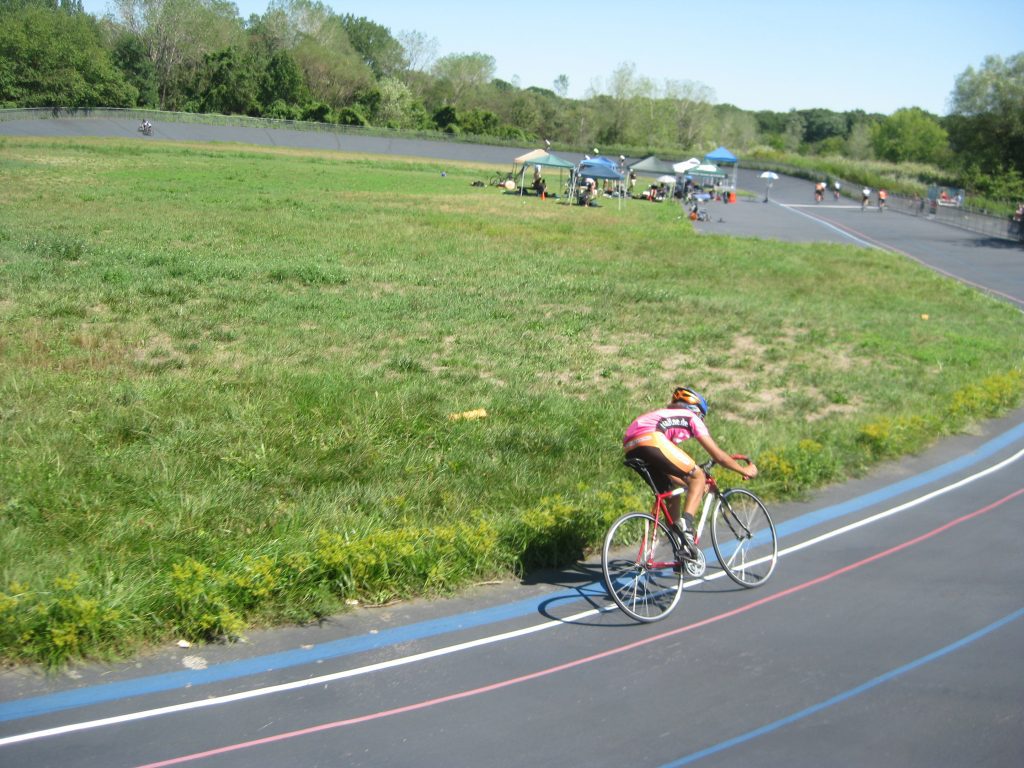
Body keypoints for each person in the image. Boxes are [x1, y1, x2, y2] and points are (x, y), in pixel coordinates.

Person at [622, 387, 757, 559]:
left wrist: (694, 487)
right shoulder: (692, 417)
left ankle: (681, 548)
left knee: (670, 492)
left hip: (631, 445)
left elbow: (670, 470)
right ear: (697, 411)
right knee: (698, 474)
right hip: (651, 439)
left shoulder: (663, 416)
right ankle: (686, 526)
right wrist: (743, 469)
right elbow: (719, 456)